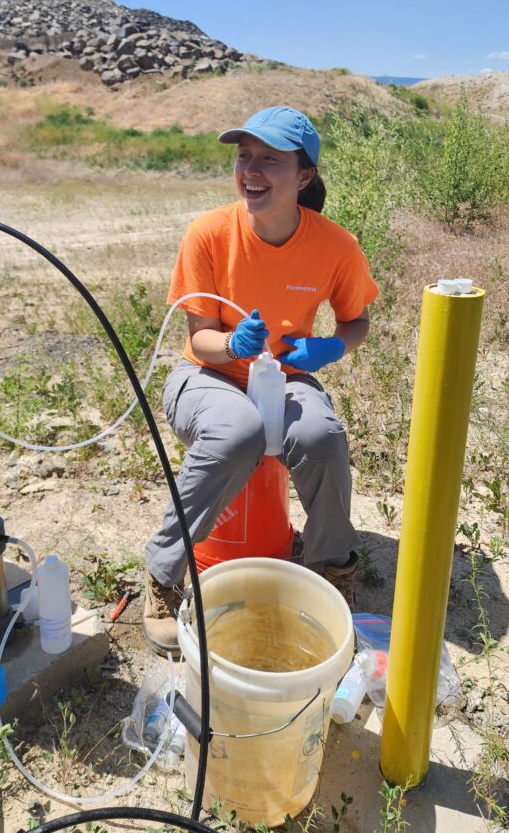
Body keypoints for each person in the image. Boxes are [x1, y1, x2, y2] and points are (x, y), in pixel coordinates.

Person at [143, 106, 379, 656]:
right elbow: (200, 336)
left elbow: (357, 319)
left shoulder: (335, 246)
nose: (251, 169)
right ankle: (162, 573)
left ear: (304, 176)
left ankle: (330, 566)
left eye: (270, 159)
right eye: (244, 156)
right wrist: (231, 344)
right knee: (237, 432)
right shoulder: (208, 234)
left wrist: (332, 346)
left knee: (321, 436)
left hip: (287, 375)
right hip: (207, 373)